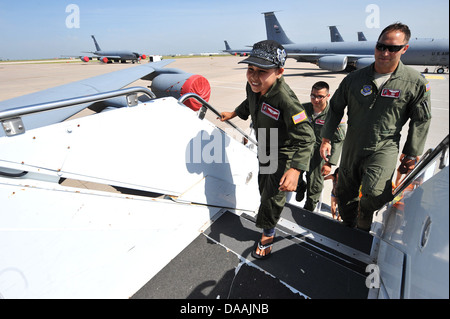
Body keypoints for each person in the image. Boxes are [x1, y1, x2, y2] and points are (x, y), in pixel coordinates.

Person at [319, 22, 432, 231]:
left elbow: (421, 119)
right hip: (353, 145)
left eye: (392, 48)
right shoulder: (354, 79)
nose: (385, 52)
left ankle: (364, 221)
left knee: (375, 194)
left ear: (404, 49)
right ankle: (350, 227)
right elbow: (334, 108)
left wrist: (411, 153)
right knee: (345, 195)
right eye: (381, 46)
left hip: (384, 145)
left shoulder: (415, 82)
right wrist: (326, 139)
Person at [219, 40, 315, 259]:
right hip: (266, 144)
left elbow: (307, 138)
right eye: (250, 69)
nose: (253, 76)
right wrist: (233, 113)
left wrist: (295, 169)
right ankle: (291, 188)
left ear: (279, 72)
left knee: (272, 196)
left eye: (262, 71)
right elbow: (250, 103)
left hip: (284, 151)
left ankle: (267, 234)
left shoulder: (285, 99)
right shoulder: (254, 86)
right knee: (264, 186)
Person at [295, 81, 346, 212]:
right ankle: (300, 186)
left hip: (320, 155)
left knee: (315, 186)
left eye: (319, 96)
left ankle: (307, 212)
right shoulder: (303, 109)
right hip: (302, 151)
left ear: (327, 96)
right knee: (293, 176)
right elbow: (293, 126)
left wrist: (330, 163)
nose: (315, 99)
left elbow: (339, 140)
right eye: (313, 96)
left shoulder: (333, 115)